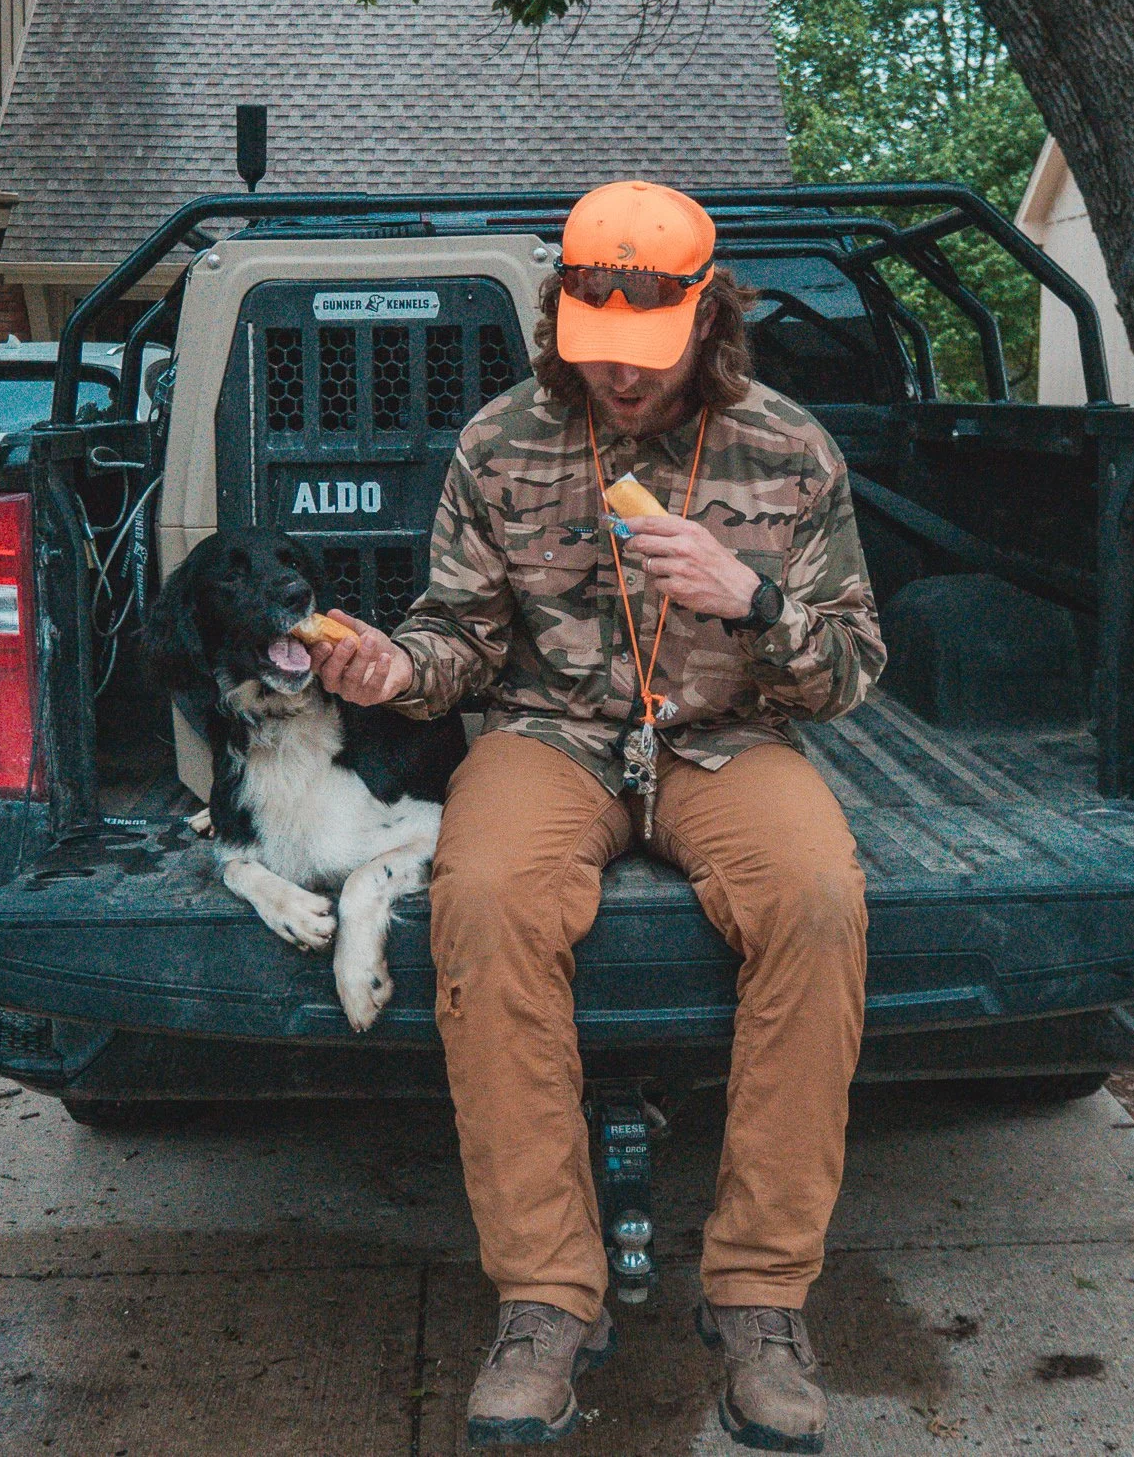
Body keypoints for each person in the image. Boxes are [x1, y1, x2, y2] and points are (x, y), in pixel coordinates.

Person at [312, 180, 885, 1452]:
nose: (618, 381)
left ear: (706, 317)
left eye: (646, 355)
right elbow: (457, 636)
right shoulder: (502, 440)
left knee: (816, 900)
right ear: (561, 315)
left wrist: (751, 602)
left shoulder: (786, 447)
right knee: (485, 901)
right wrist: (394, 671)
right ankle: (545, 1299)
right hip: (547, 735)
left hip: (728, 738)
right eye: (595, 351)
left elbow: (850, 673)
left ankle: (758, 1299)